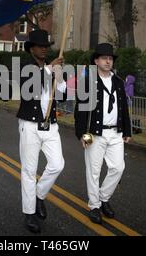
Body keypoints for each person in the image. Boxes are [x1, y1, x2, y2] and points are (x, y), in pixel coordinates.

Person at [74, 43, 131, 225]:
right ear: (96, 61)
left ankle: (103, 198)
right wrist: (83, 134)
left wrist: (127, 130)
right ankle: (95, 206)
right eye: (104, 58)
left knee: (118, 168)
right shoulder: (88, 81)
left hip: (115, 132)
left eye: (110, 58)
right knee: (94, 171)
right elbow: (81, 111)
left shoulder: (118, 82)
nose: (108, 61)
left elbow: (123, 108)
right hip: (95, 133)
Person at [17, 29, 66, 234]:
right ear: (32, 49)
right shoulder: (25, 67)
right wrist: (48, 71)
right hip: (29, 125)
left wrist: (60, 77)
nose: (45, 49)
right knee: (29, 170)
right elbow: (30, 91)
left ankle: (39, 195)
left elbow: (62, 97)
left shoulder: (51, 68)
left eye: (47, 46)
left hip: (51, 126)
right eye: (41, 46)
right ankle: (29, 213)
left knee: (57, 164)